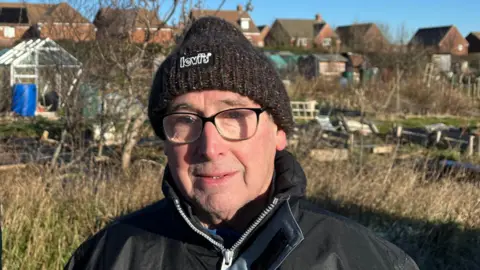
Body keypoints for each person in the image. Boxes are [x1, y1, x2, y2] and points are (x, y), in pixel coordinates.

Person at [64, 17, 419, 270]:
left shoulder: (369, 261)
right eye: (185, 121)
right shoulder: (107, 256)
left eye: (234, 116)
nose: (210, 147)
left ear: (279, 131)